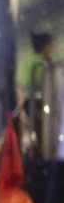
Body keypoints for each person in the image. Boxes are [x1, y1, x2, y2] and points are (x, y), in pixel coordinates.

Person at [16, 32, 63, 161]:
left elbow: (22, 87)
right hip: (41, 103)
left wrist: (20, 107)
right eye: (50, 45)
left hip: (31, 102)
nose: (52, 48)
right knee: (44, 129)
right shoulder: (45, 63)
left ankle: (39, 152)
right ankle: (44, 153)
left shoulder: (29, 61)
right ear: (46, 46)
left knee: (37, 129)